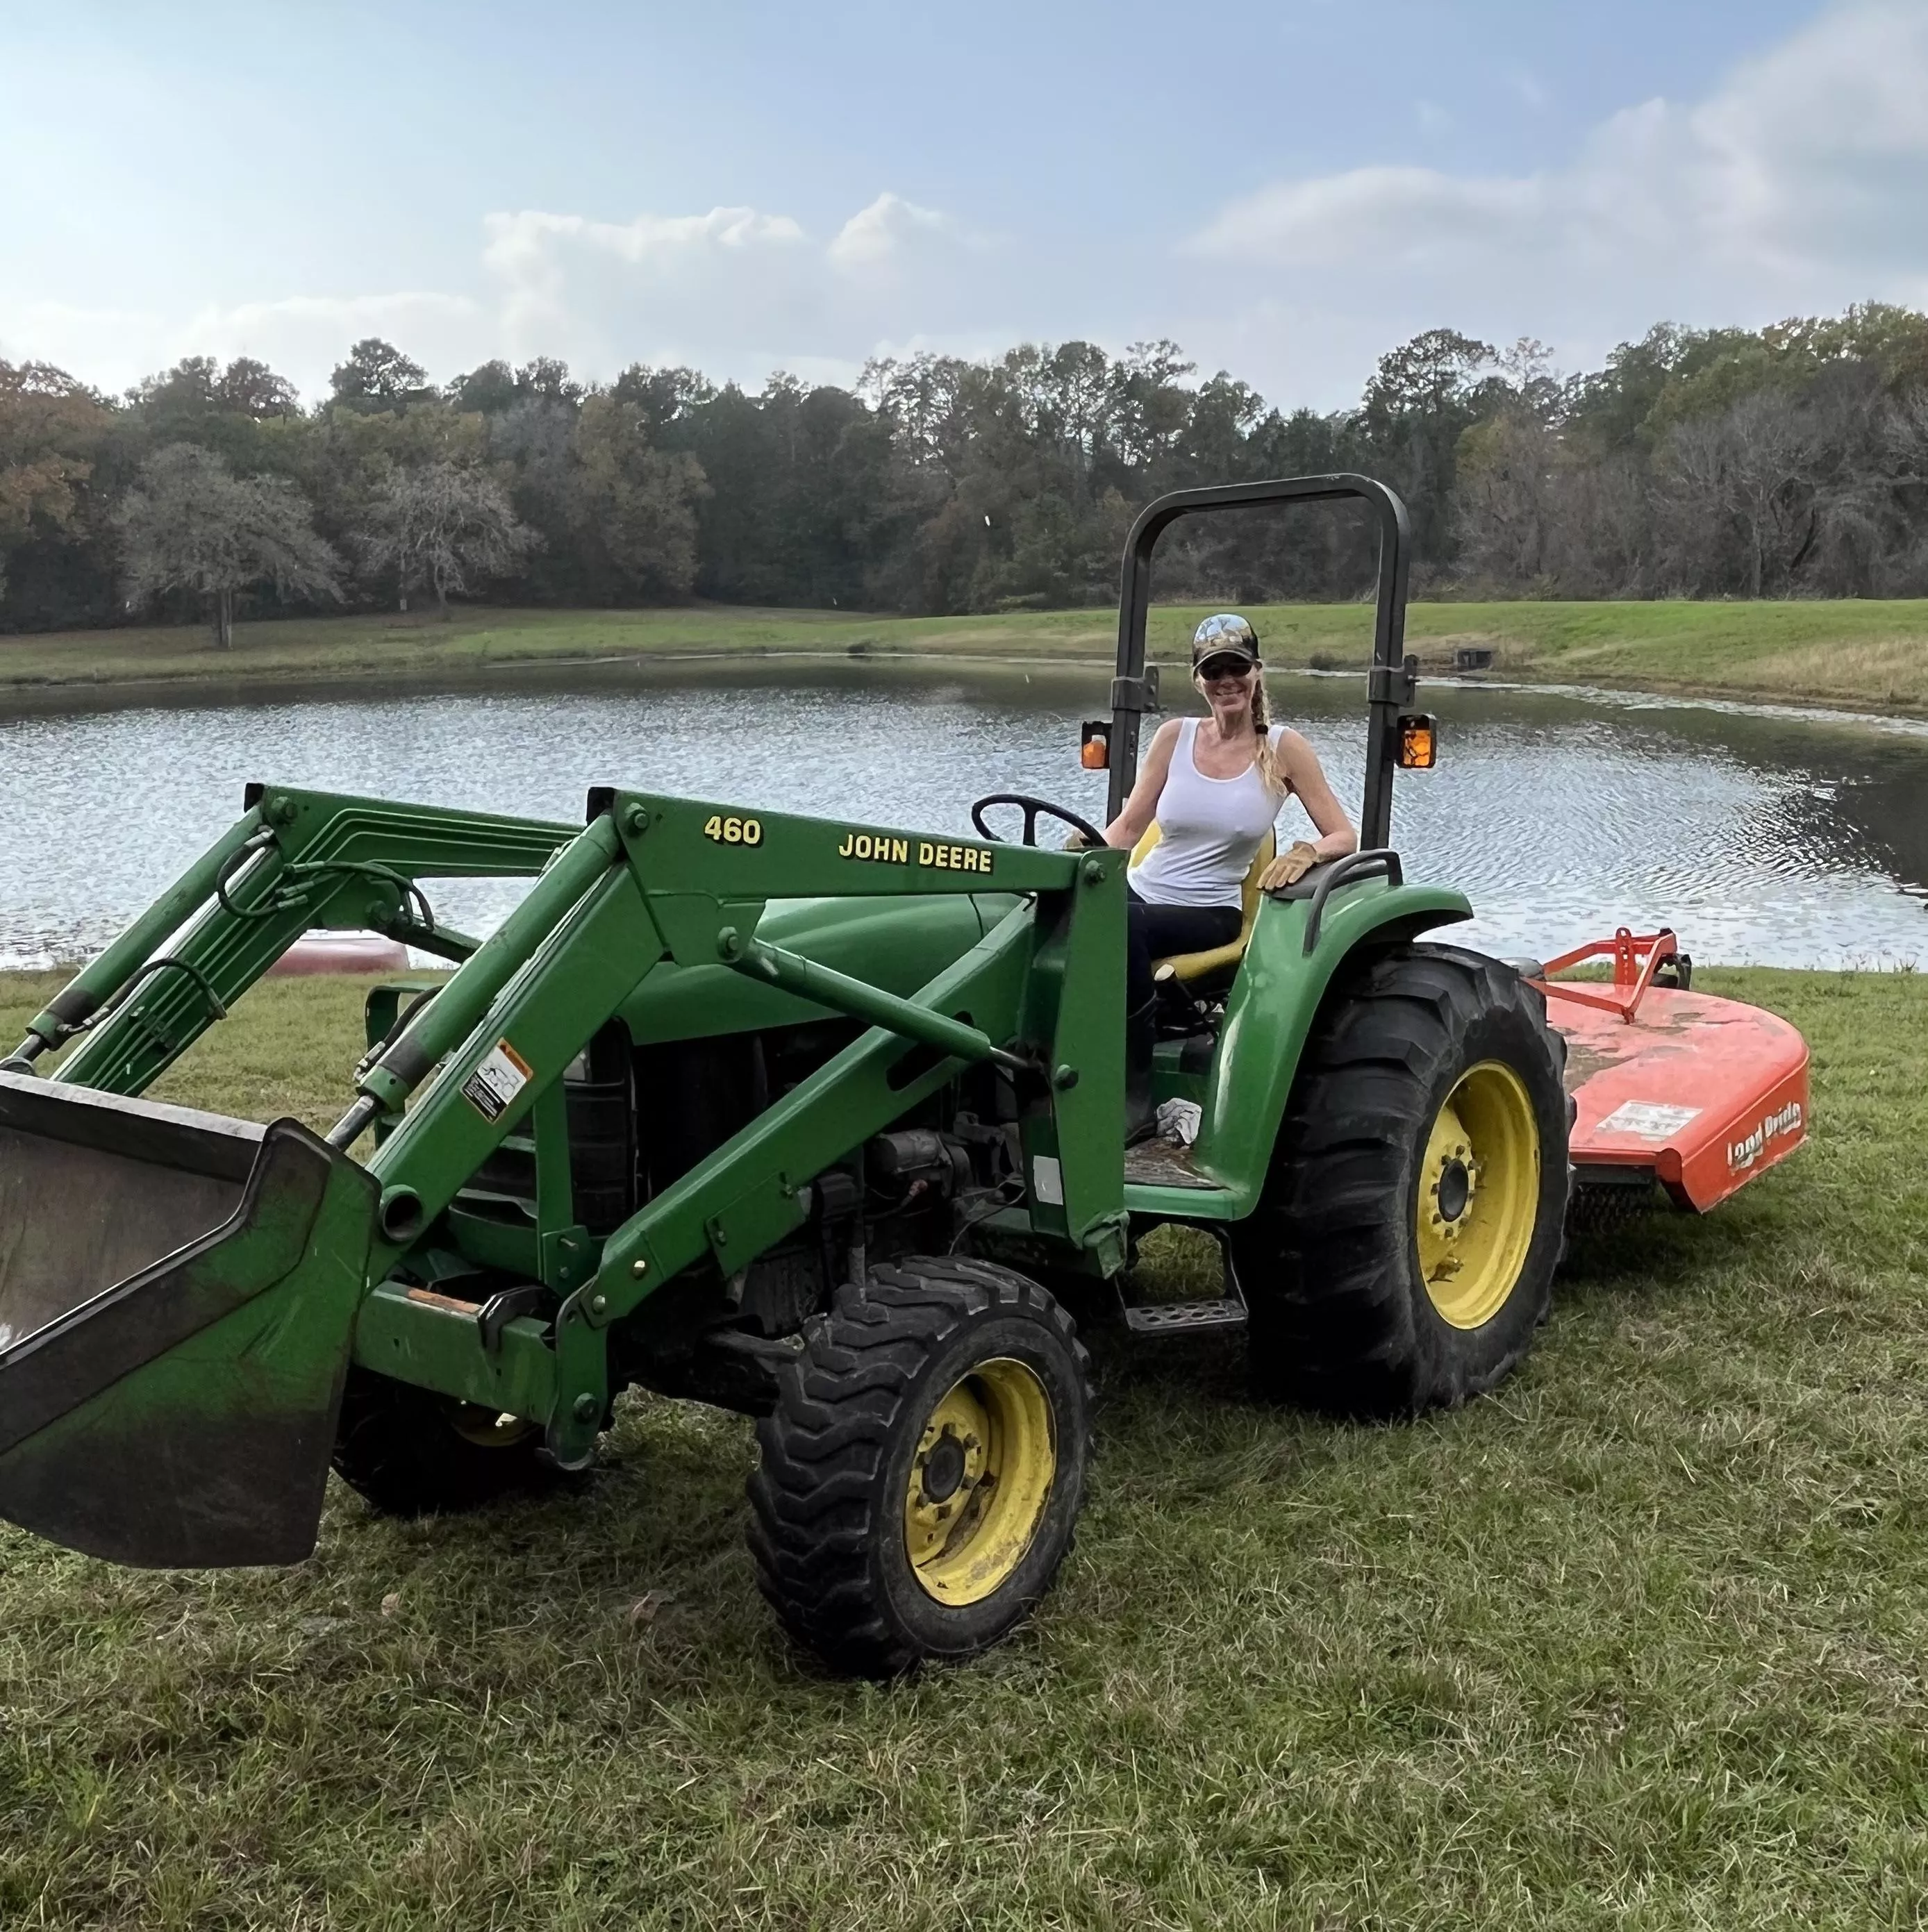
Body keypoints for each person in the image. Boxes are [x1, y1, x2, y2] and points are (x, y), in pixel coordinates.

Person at [1079, 613, 1358, 1135]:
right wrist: (1078, 860)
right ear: (1198, 681)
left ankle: (1132, 1094)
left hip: (1209, 911)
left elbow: (1344, 835)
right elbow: (1128, 827)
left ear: (1257, 673)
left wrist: (1307, 852)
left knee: (1121, 924)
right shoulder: (1174, 737)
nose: (1226, 681)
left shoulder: (1283, 749)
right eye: (1214, 671)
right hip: (1141, 890)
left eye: (1237, 668)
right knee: (1055, 914)